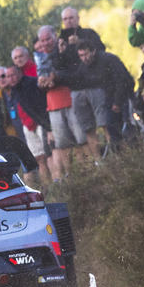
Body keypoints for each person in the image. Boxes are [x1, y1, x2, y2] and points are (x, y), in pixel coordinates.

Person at [36, 25, 89, 176]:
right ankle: (71, 175)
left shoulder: (64, 49)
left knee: (80, 139)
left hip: (69, 98)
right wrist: (45, 82)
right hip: (53, 104)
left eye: (48, 39)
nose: (45, 43)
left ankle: (88, 169)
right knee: (62, 144)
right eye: (42, 40)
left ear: (55, 37)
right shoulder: (39, 58)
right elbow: (40, 82)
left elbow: (72, 71)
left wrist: (55, 78)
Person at [4, 65, 54, 184]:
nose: (11, 78)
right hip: (28, 125)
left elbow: (40, 107)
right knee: (39, 158)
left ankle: (56, 182)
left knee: (49, 154)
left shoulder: (30, 83)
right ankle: (48, 186)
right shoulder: (14, 90)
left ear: (20, 74)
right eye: (8, 76)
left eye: (13, 75)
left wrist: (48, 127)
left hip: (42, 123)